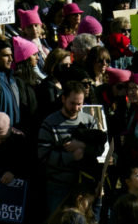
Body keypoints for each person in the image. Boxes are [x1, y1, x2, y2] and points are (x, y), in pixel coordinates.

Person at [37, 81, 105, 213]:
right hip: (58, 186)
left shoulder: (89, 120)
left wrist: (83, 146)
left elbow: (100, 149)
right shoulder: (50, 123)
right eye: (72, 103)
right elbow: (43, 155)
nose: (76, 108)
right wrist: (71, 157)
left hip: (84, 186)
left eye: (79, 104)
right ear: (63, 99)